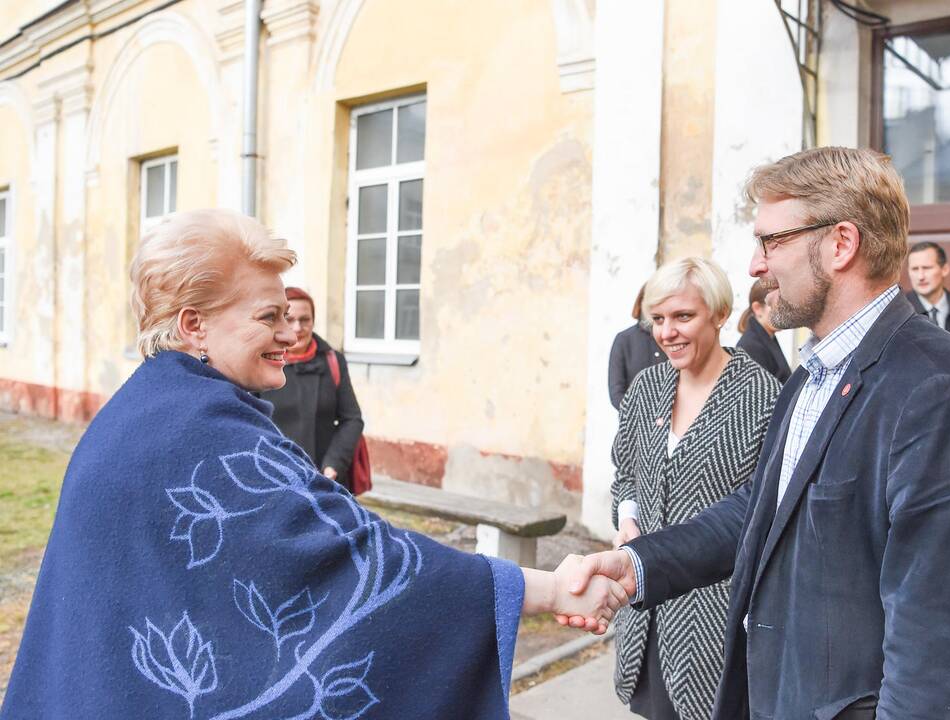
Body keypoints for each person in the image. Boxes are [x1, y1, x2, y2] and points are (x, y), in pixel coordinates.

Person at [0, 209, 626, 720]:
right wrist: (544, 589)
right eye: (267, 317)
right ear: (195, 325)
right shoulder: (204, 426)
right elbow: (356, 557)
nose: (291, 336)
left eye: (290, 317)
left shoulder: (149, 403)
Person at [560, 147, 950, 719]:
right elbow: (760, 510)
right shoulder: (812, 374)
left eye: (771, 242)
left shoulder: (940, 388)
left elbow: (936, 653)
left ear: (840, 244)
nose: (754, 265)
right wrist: (638, 564)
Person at [610, 258, 779, 719]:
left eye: (683, 317)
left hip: (714, 623)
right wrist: (628, 517)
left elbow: (760, 515)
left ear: (720, 314)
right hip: (643, 617)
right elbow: (625, 471)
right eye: (658, 320)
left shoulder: (763, 396)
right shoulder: (646, 387)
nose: (668, 333)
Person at [260, 287, 364, 490]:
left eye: (305, 319)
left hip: (326, 478)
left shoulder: (333, 360)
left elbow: (352, 419)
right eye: (290, 319)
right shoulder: (261, 361)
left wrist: (333, 464)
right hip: (275, 478)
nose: (298, 328)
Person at [608, 284, 666, 408]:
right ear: (641, 302)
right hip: (634, 423)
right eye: (651, 299)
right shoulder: (624, 339)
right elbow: (616, 392)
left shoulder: (672, 337)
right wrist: (639, 416)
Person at [735, 279, 791, 383]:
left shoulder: (768, 338)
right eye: (778, 306)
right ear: (757, 308)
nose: (784, 312)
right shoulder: (750, 348)